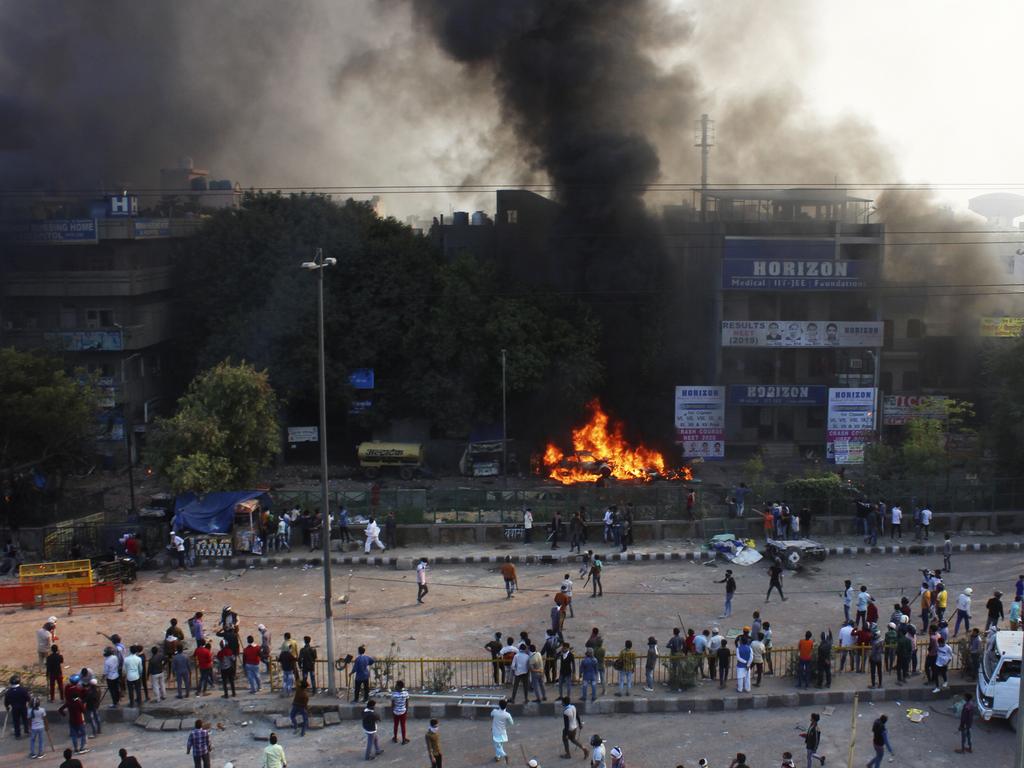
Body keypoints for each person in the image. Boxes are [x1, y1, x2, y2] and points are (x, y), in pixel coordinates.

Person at [490, 699, 514, 764]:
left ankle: (504, 755)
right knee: (500, 745)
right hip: (503, 732)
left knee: (497, 746)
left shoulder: (495, 711)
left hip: (496, 732)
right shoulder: (507, 715)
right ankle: (497, 756)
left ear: (499, 705)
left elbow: (491, 714)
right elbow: (511, 723)